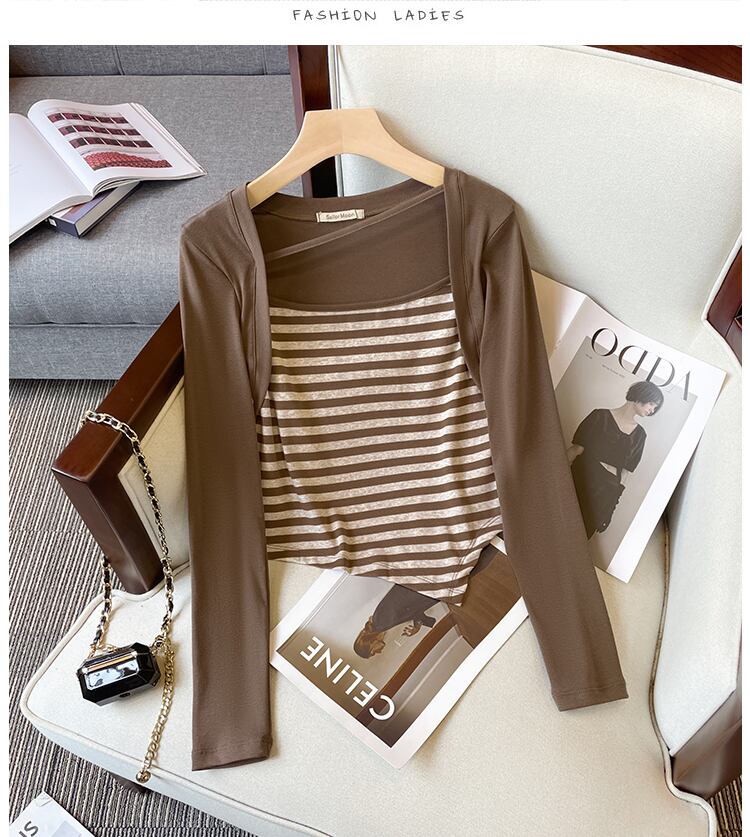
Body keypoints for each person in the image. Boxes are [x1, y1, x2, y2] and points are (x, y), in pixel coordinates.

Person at [567, 381, 663, 538]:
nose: (652, 410)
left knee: (578, 539)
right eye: (652, 404)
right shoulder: (599, 416)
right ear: (640, 395)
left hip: (605, 493)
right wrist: (554, 479)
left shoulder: (640, 435)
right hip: (580, 480)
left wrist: (610, 509)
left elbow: (625, 474)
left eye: (655, 408)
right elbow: (575, 450)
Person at [353, 584, 438, 659]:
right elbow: (409, 609)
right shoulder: (379, 623)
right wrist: (417, 625)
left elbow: (408, 604)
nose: (379, 652)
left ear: (369, 645)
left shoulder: (381, 623)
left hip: (425, 587)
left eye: (373, 653)